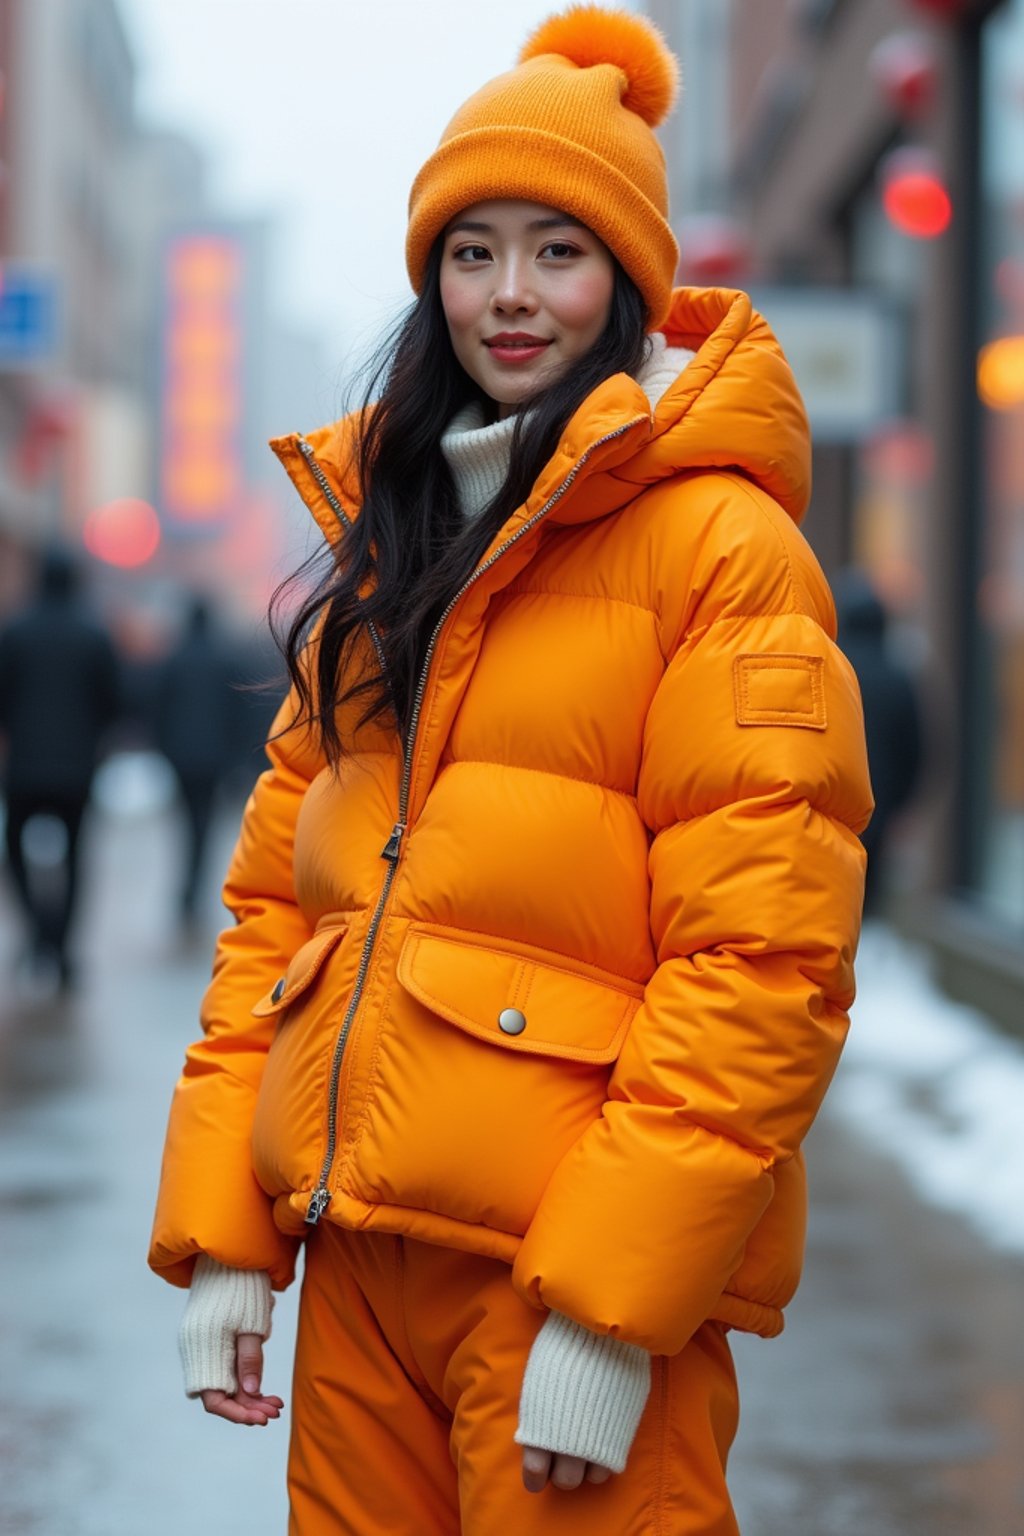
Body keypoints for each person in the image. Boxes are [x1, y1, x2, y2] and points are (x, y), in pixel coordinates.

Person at [149, 9, 873, 1533]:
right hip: (360, 1268)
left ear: (629, 278)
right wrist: (228, 1232)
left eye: (560, 248)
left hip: (568, 1280)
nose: (512, 295)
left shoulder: (722, 550)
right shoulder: (389, 554)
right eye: (473, 251)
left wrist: (613, 1311)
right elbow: (276, 913)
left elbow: (764, 963)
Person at [0, 545, 119, 989]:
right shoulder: (93, 634)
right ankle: (62, 946)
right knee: (75, 856)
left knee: (14, 851)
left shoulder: (16, 631)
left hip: (25, 769)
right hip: (77, 769)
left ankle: (37, 930)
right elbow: (114, 702)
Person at [151, 595, 244, 927]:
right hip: (214, 757)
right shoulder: (224, 660)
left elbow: (158, 707)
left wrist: (162, 748)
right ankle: (195, 892)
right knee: (204, 824)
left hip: (181, 756)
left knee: (185, 822)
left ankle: (186, 894)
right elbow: (238, 711)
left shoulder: (174, 659)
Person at [835, 569, 924, 914]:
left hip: (835, 805)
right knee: (868, 907)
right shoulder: (899, 677)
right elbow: (919, 749)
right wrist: (900, 804)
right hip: (881, 808)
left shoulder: (833, 667)